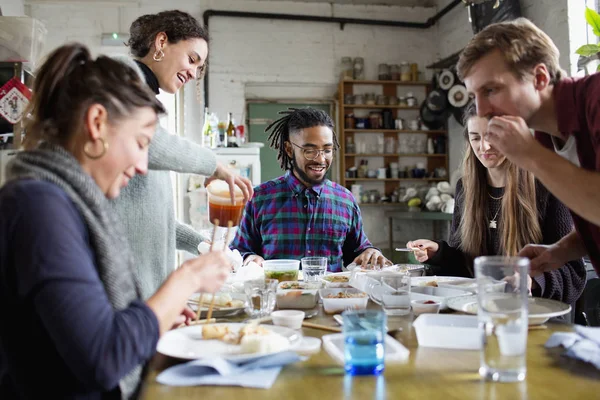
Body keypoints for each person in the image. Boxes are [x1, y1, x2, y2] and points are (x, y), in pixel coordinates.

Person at [0, 43, 231, 399]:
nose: (142, 166)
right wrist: (188, 278)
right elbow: (104, 358)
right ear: (96, 123)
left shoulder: (63, 202)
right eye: (140, 142)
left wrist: (153, 321)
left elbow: (82, 328)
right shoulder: (39, 208)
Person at [110, 10, 253, 299]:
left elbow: (148, 216)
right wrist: (215, 165)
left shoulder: (146, 100)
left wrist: (203, 244)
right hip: (121, 286)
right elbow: (148, 142)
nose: (193, 73)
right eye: (192, 60)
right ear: (161, 42)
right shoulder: (121, 73)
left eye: (199, 68)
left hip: (146, 290)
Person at [456, 17, 600, 277]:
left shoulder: (596, 98)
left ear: (540, 78)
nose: (481, 110)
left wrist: (530, 155)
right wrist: (562, 250)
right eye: (474, 96)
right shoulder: (547, 136)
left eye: (491, 90)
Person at [408, 104, 585, 305]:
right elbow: (465, 266)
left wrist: (532, 281)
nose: (484, 147)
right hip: (478, 310)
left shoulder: (547, 186)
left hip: (536, 313)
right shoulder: (465, 188)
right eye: (475, 138)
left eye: (492, 136)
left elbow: (574, 274)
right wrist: (438, 252)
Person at [230, 108, 390, 272]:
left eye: (327, 150)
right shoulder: (260, 198)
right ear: (289, 149)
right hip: (277, 295)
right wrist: (249, 258)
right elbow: (238, 251)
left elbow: (358, 251)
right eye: (309, 151)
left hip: (332, 296)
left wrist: (370, 252)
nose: (320, 159)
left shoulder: (345, 200)